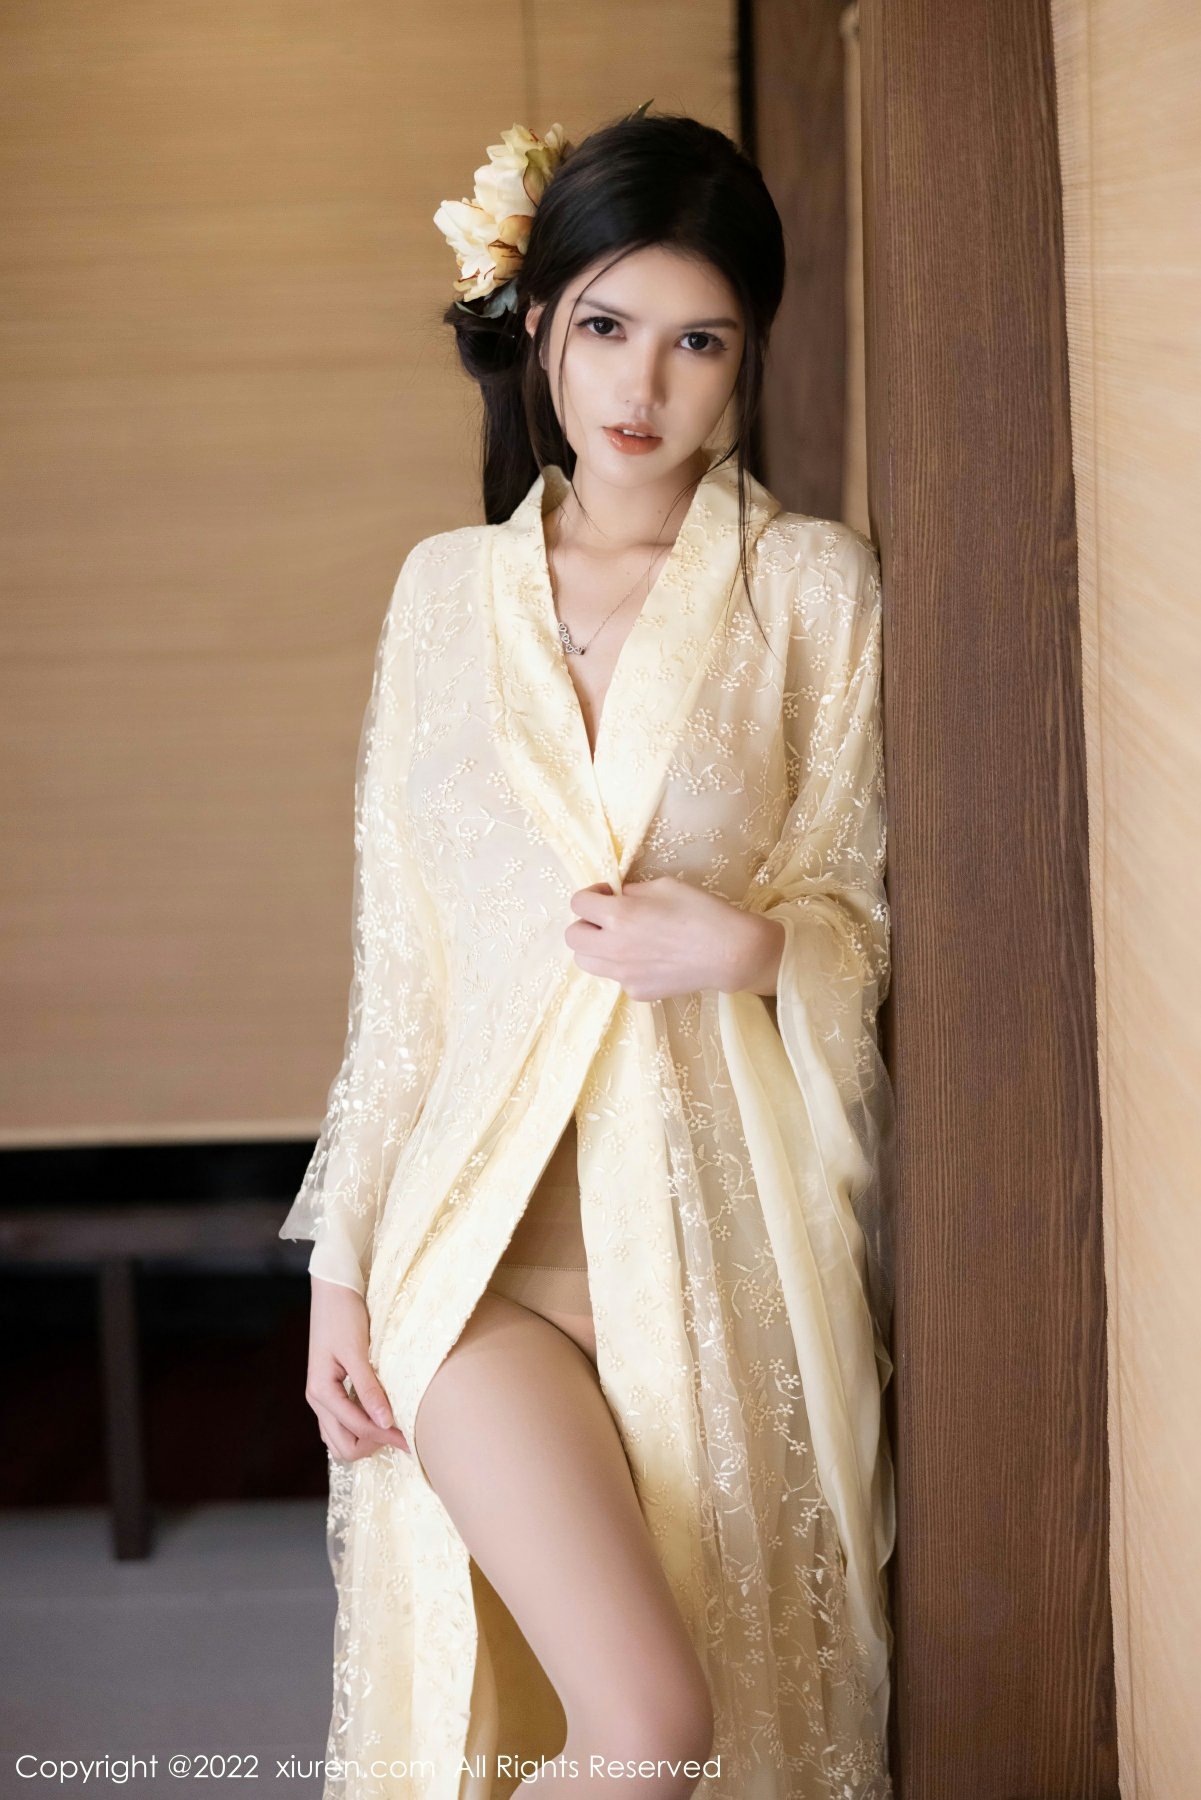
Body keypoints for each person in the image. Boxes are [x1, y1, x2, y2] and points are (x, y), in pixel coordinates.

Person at [280, 106, 897, 1800]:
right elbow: (403, 974)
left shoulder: (810, 590)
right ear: (538, 320)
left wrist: (751, 946)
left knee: (726, 1733)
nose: (643, 386)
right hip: (469, 1262)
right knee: (647, 1728)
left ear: (747, 358)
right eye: (609, 325)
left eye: (699, 341)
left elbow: (862, 915)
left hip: (711, 1261)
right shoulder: (439, 596)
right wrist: (338, 1272)